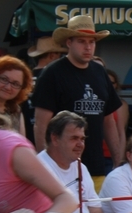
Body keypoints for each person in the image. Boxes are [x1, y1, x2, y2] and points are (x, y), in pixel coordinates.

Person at [31, 15, 122, 190]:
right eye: (81, 41)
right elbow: (41, 124)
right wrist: (45, 165)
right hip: (62, 169)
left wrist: (118, 161)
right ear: (69, 42)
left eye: (92, 42)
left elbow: (109, 120)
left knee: (95, 208)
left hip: (97, 167)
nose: (88, 47)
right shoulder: (52, 73)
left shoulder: (100, 72)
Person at [37, 111, 111, 213]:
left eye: (82, 139)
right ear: (55, 139)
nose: (80, 144)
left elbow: (95, 210)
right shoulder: (39, 168)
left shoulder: (80, 167)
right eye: (74, 138)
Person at [22, 37, 68, 144]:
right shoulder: (55, 78)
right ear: (52, 55)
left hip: (25, 137)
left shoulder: (24, 78)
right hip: (52, 138)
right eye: (60, 56)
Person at [0, 55, 33, 135]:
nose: (8, 87)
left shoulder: (16, 110)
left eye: (15, 84)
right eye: (4, 79)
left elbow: (21, 140)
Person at [102, 69, 129, 177]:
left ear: (116, 85)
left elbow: (121, 133)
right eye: (106, 82)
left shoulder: (120, 104)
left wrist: (119, 159)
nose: (109, 85)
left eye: (112, 82)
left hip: (110, 155)